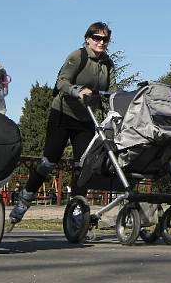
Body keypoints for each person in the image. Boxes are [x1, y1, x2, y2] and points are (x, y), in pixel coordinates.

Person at [9, 21, 115, 224]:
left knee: (83, 165)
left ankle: (76, 209)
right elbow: (62, 82)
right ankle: (26, 196)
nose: (101, 42)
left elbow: (111, 91)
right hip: (64, 113)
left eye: (105, 39)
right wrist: (78, 91)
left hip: (87, 118)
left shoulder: (108, 64)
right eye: (96, 37)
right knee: (49, 162)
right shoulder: (78, 56)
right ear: (88, 38)